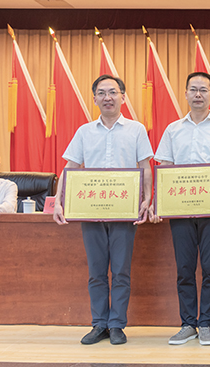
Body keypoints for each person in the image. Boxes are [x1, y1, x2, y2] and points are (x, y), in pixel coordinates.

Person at [53, 74, 153, 346]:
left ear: (123, 97)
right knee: (96, 271)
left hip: (124, 211)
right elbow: (70, 168)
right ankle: (99, 323)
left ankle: (117, 324)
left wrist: (147, 199)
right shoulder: (84, 132)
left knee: (121, 270)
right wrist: (59, 201)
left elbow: (145, 167)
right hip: (91, 211)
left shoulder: (136, 130)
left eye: (112, 92)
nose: (107, 97)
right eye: (101, 93)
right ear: (95, 98)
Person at [153, 72, 210, 346]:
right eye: (193, 89)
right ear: (186, 94)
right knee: (185, 269)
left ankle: (206, 325)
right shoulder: (173, 129)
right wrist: (160, 203)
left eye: (204, 89)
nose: (198, 94)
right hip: (180, 209)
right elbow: (165, 168)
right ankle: (188, 323)